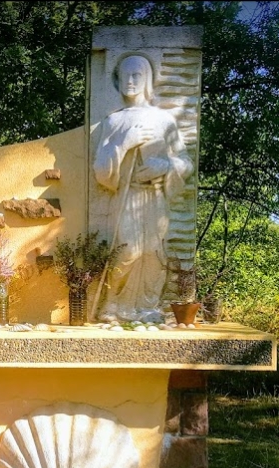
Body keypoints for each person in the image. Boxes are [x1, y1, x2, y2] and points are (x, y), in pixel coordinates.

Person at [92, 54, 194, 323]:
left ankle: (148, 306)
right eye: (125, 75)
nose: (130, 80)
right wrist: (123, 143)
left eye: (137, 75)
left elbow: (185, 162)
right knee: (127, 250)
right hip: (126, 196)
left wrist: (163, 166)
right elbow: (100, 170)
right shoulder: (113, 121)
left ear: (148, 80)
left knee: (153, 253)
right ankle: (113, 304)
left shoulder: (164, 121)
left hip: (155, 198)